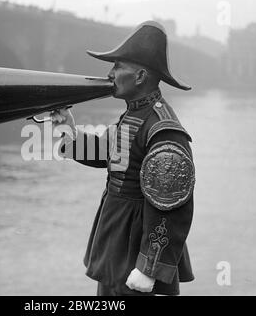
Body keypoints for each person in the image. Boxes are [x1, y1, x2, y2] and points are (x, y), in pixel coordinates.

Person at [51, 21, 195, 296]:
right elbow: (109, 153)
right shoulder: (136, 114)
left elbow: (171, 204)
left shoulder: (162, 128)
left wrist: (148, 268)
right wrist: (67, 130)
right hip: (117, 241)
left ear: (140, 75)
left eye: (118, 66)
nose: (110, 73)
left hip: (137, 251)